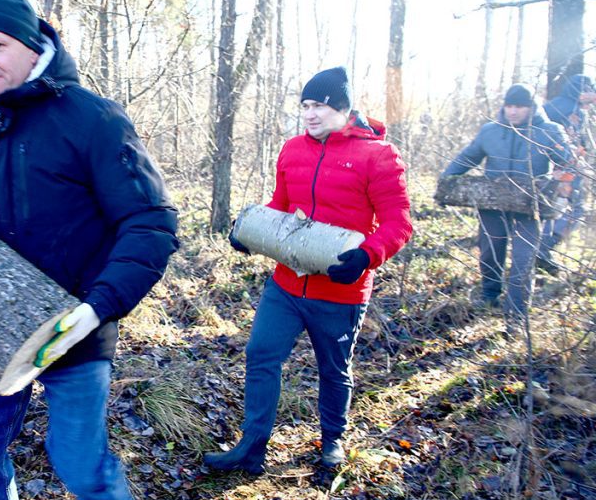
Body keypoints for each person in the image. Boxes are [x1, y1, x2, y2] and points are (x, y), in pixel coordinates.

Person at [0, 0, 178, 500]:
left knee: (78, 463)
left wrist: (97, 309)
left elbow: (151, 222)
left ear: (32, 45)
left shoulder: (91, 118)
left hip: (76, 324)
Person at [205, 66, 413, 475]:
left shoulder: (378, 155)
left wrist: (367, 256)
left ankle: (332, 441)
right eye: (305, 106)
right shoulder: (292, 150)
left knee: (334, 369)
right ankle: (251, 448)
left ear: (342, 107)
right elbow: (281, 207)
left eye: (319, 105)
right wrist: (250, 232)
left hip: (340, 289)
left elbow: (399, 222)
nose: (310, 114)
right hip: (285, 284)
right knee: (261, 354)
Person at [442, 84, 573, 318]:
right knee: (491, 251)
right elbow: (468, 157)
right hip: (492, 203)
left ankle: (517, 312)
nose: (513, 111)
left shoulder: (551, 131)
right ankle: (490, 295)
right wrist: (446, 181)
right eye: (509, 106)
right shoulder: (490, 130)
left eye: (520, 107)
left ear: (531, 108)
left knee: (523, 259)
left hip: (531, 207)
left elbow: (568, 163)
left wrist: (560, 183)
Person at [537, 74, 595, 274]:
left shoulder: (570, 108)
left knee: (556, 211)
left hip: (564, 169)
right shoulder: (565, 108)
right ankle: (543, 250)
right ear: (581, 91)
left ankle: (542, 251)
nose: (593, 96)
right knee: (571, 211)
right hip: (562, 171)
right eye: (590, 91)